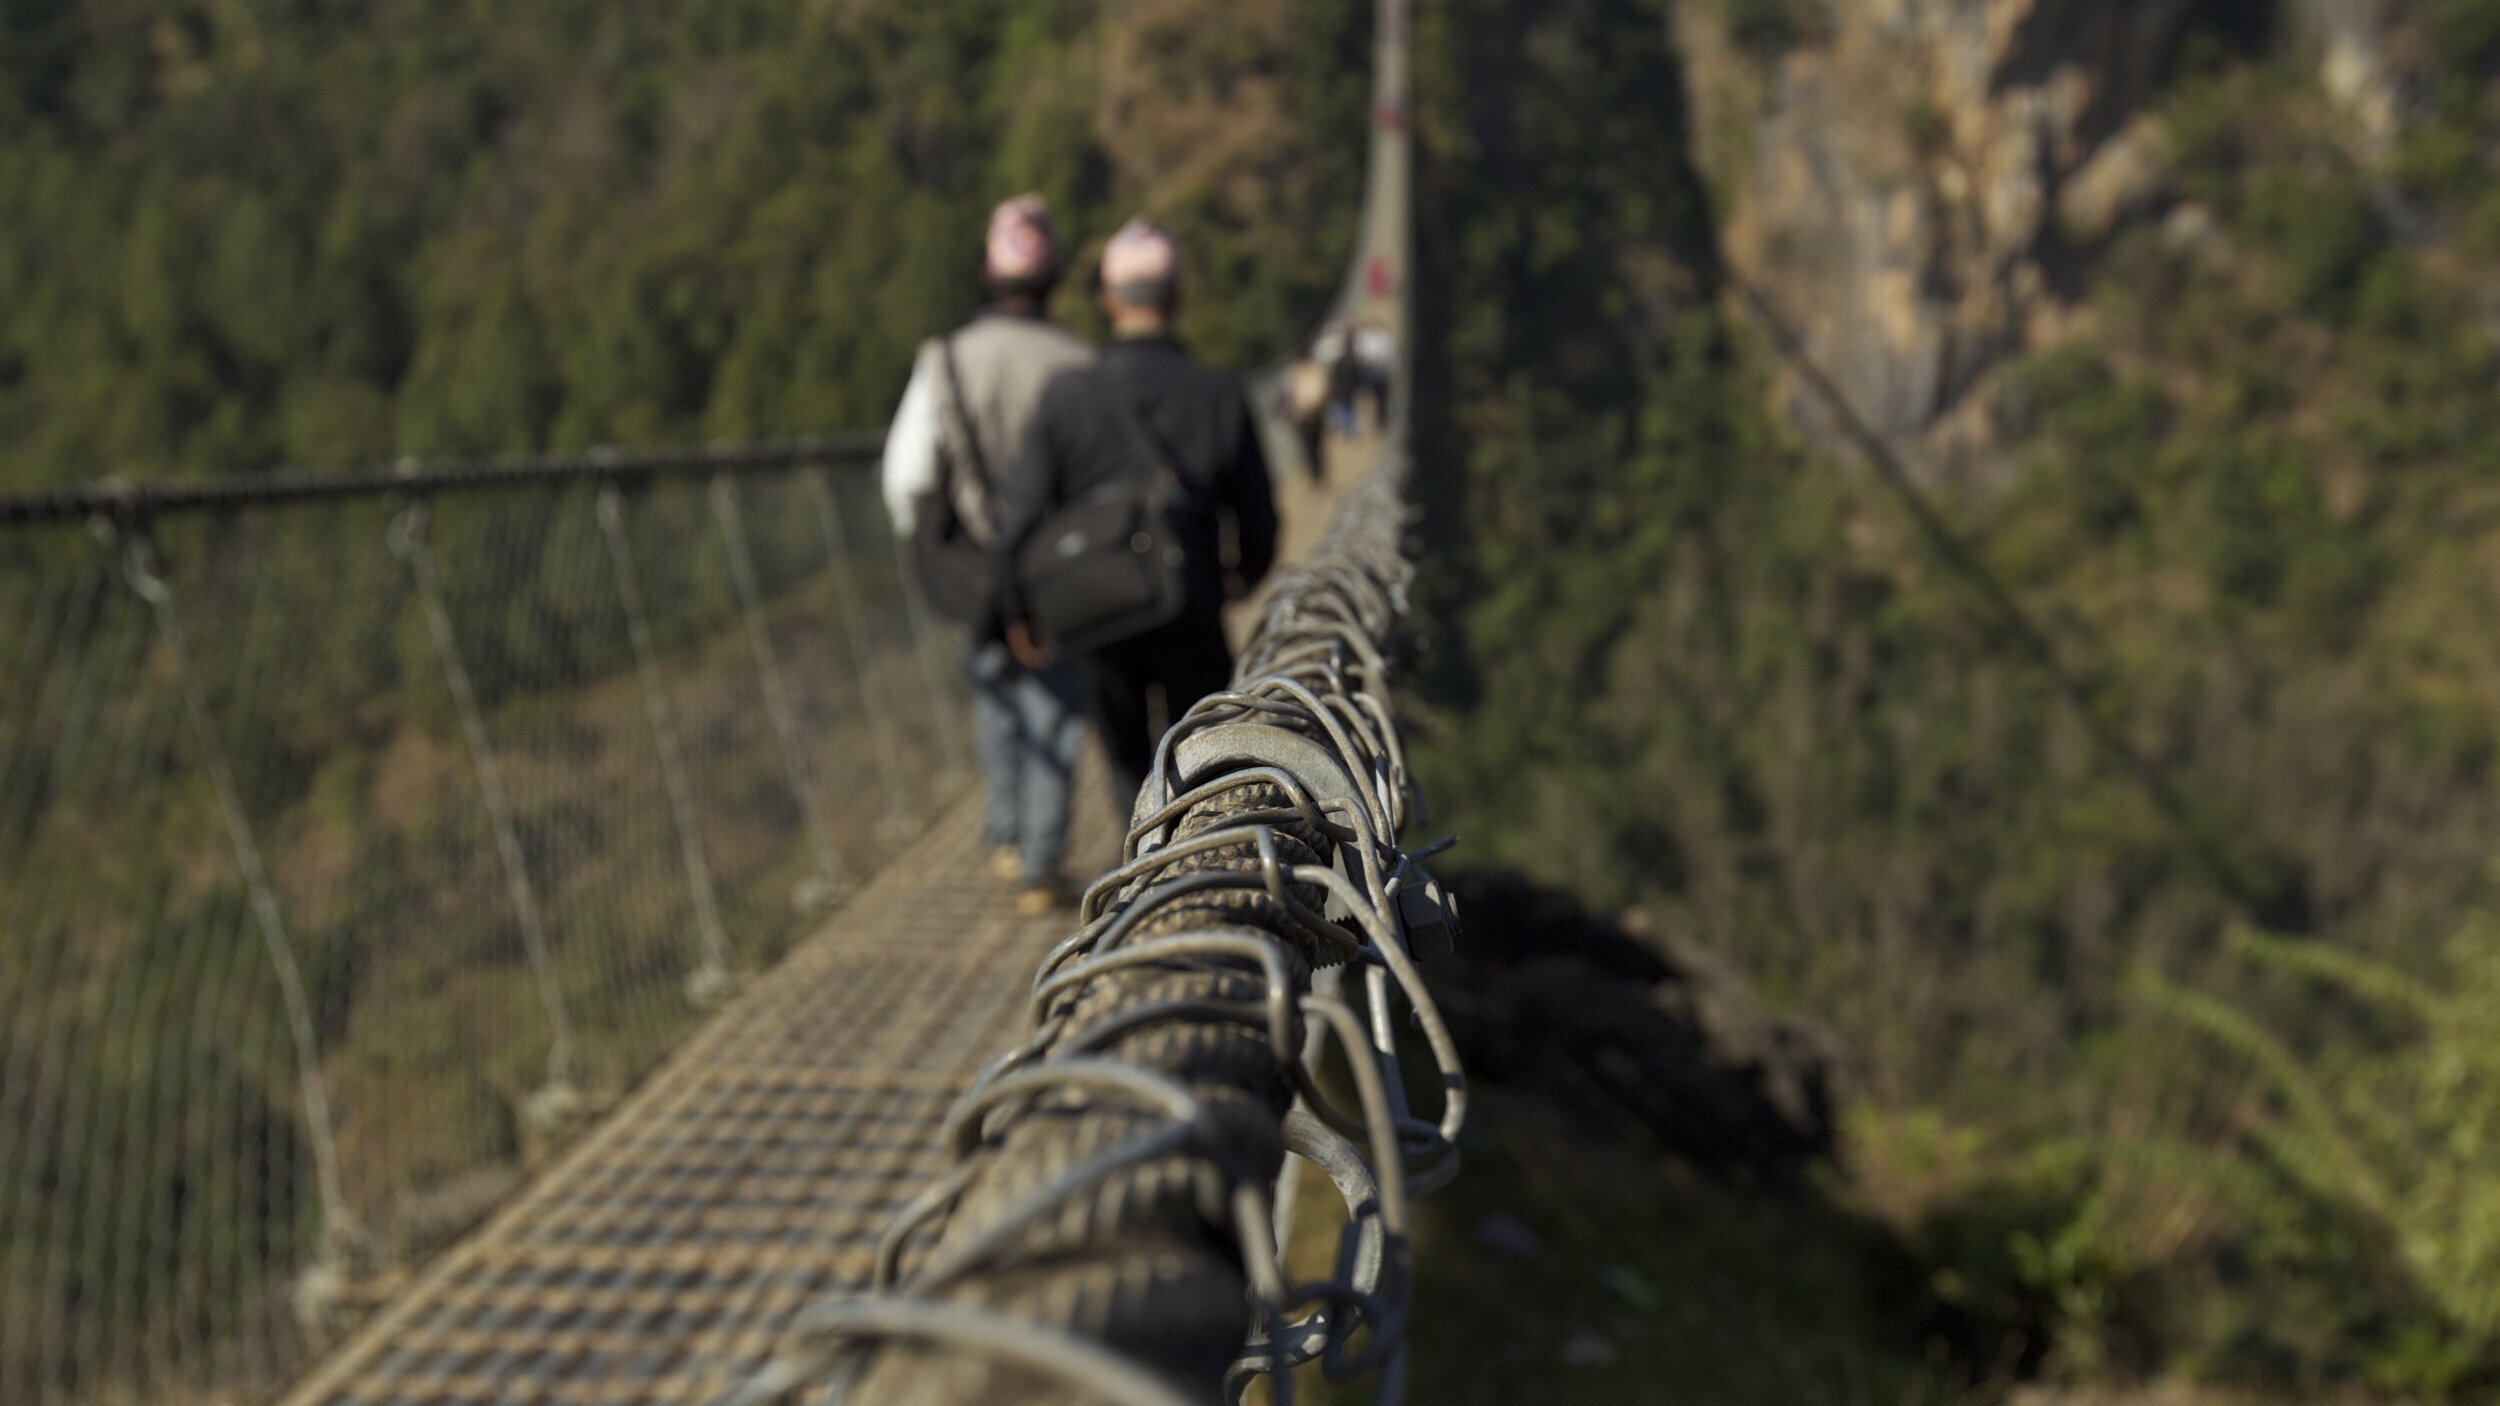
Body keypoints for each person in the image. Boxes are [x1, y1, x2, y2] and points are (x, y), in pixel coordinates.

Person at [992, 218, 1280, 811]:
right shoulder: (1217, 391)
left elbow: (1018, 518)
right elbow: (1257, 513)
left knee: (1127, 761)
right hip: (1192, 601)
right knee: (1203, 755)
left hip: (1100, 610)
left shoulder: (1066, 395)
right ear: (1176, 296)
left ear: (1107, 300)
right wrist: (1242, 573)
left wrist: (1016, 611)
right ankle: (1204, 870)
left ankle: (1141, 869)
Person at [882, 195, 1093, 915]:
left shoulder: (944, 361)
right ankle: (1041, 859)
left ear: (986, 273)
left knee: (995, 699)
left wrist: (938, 555)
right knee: (1055, 711)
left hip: (974, 575)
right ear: (1052, 277)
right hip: (1059, 574)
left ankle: (1005, 838)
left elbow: (907, 475)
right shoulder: (1078, 365)